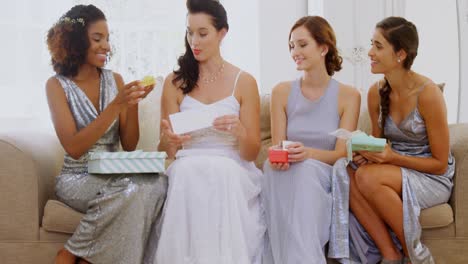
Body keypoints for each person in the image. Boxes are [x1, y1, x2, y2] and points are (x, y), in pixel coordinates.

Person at [46, 5, 167, 264]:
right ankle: (74, 252)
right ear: (77, 41)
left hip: (114, 169)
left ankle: (80, 255)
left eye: (108, 39)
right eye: (97, 39)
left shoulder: (116, 80)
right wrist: (116, 105)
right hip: (77, 176)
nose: (107, 46)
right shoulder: (57, 85)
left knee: (159, 183)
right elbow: (74, 147)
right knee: (132, 187)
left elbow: (129, 143)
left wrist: (131, 104)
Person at [328, 17, 455, 264]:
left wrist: (391, 157)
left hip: (431, 176)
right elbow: (378, 143)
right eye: (371, 44)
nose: (370, 52)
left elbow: (440, 164)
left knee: (367, 176)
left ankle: (415, 255)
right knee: (344, 171)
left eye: (378, 46)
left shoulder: (428, 94)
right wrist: (366, 153)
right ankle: (390, 254)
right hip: (394, 169)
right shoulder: (376, 92)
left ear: (400, 54)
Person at [153, 0, 265, 263]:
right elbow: (166, 151)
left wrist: (239, 131)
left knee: (221, 172)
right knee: (185, 172)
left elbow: (251, 153)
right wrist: (169, 140)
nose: (195, 41)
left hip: (232, 163)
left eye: (203, 33)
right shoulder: (174, 82)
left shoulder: (244, 82)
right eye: (190, 32)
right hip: (187, 161)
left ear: (222, 33)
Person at [261, 16, 361, 264]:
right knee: (274, 171)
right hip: (287, 171)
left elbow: (341, 154)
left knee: (303, 172)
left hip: (323, 174)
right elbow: (278, 145)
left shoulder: (349, 96)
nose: (295, 52)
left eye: (302, 44)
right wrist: (280, 159)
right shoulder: (281, 92)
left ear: (323, 48)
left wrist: (307, 154)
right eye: (292, 46)